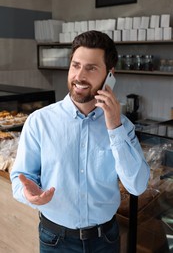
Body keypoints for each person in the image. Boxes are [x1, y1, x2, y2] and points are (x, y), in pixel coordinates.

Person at [10, 30, 150, 253]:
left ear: (109, 75)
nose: (79, 76)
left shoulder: (122, 126)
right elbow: (20, 177)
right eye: (75, 65)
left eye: (91, 68)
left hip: (106, 239)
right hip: (55, 239)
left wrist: (114, 127)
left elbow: (137, 185)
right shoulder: (39, 121)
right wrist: (28, 194)